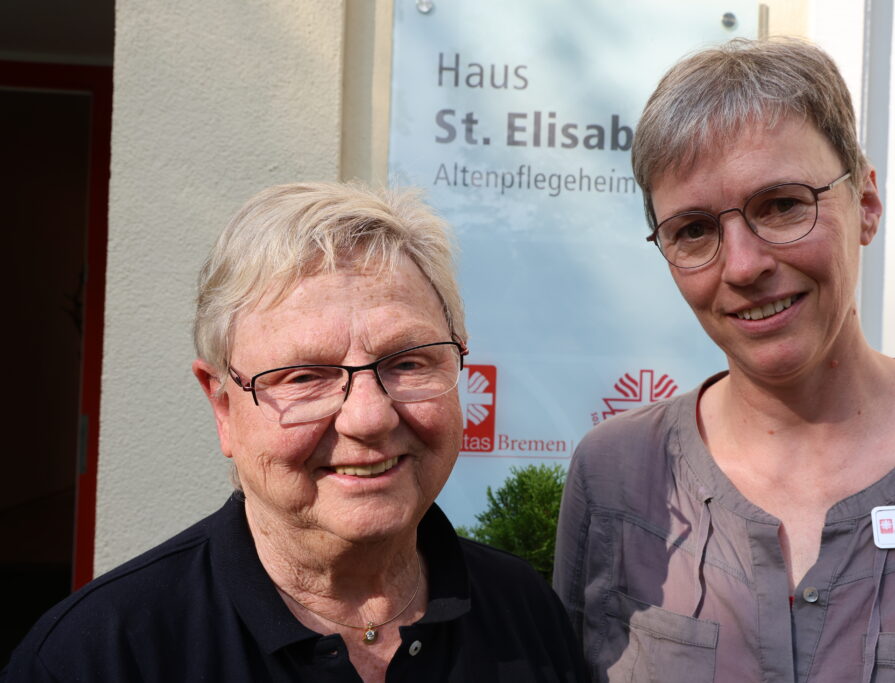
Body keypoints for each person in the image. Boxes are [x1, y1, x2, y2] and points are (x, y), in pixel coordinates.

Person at [553, 38, 895, 682]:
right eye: (694, 229)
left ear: (865, 202)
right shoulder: (616, 477)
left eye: (781, 205)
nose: (744, 265)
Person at [5, 182, 585, 682]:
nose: (369, 417)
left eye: (407, 363)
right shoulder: (99, 656)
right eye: (305, 376)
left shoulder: (524, 611)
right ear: (223, 407)